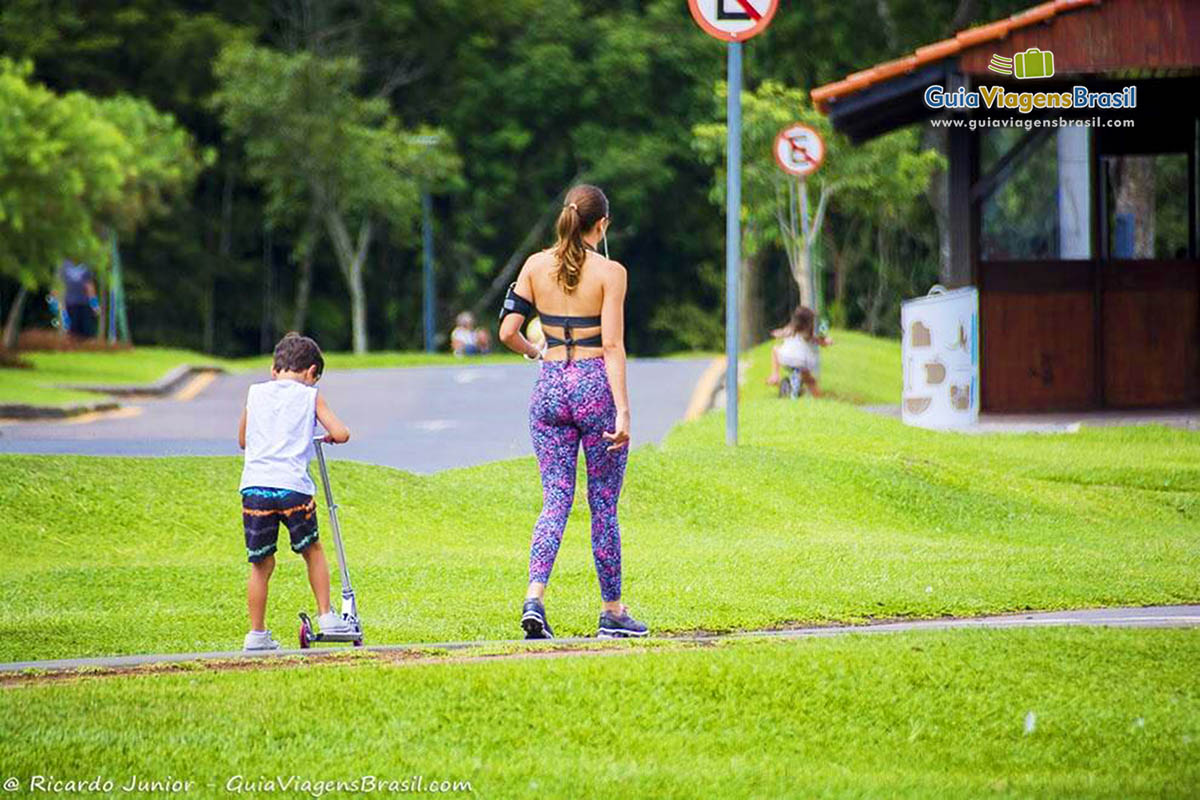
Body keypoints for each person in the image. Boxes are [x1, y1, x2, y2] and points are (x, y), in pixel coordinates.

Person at [498, 183, 646, 640]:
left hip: (549, 389)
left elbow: (507, 331)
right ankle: (613, 611)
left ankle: (534, 598)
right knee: (602, 504)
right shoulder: (611, 272)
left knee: (555, 500)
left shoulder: (534, 265)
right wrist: (623, 412)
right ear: (601, 225)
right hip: (594, 386)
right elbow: (613, 345)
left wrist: (535, 352)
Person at [236, 332, 353, 651]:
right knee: (311, 549)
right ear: (311, 372)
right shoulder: (310, 396)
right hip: (292, 487)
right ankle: (327, 616)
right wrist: (327, 437)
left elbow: (244, 440)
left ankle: (256, 634)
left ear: (275, 369)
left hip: (256, 487)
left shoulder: (255, 393)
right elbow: (341, 433)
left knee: (261, 563)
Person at [765, 306, 833, 396]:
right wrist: (827, 341)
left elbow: (779, 334)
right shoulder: (808, 335)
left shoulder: (789, 330)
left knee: (775, 349)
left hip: (786, 359)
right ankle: (819, 398)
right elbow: (822, 342)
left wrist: (776, 333)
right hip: (803, 363)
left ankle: (775, 375)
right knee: (811, 382)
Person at [57, 259, 99, 339]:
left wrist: (94, 304)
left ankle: (86, 347)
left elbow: (89, 286)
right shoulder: (64, 265)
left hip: (84, 303)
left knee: (86, 331)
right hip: (70, 303)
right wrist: (60, 305)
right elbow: (60, 286)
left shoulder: (86, 265)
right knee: (73, 331)